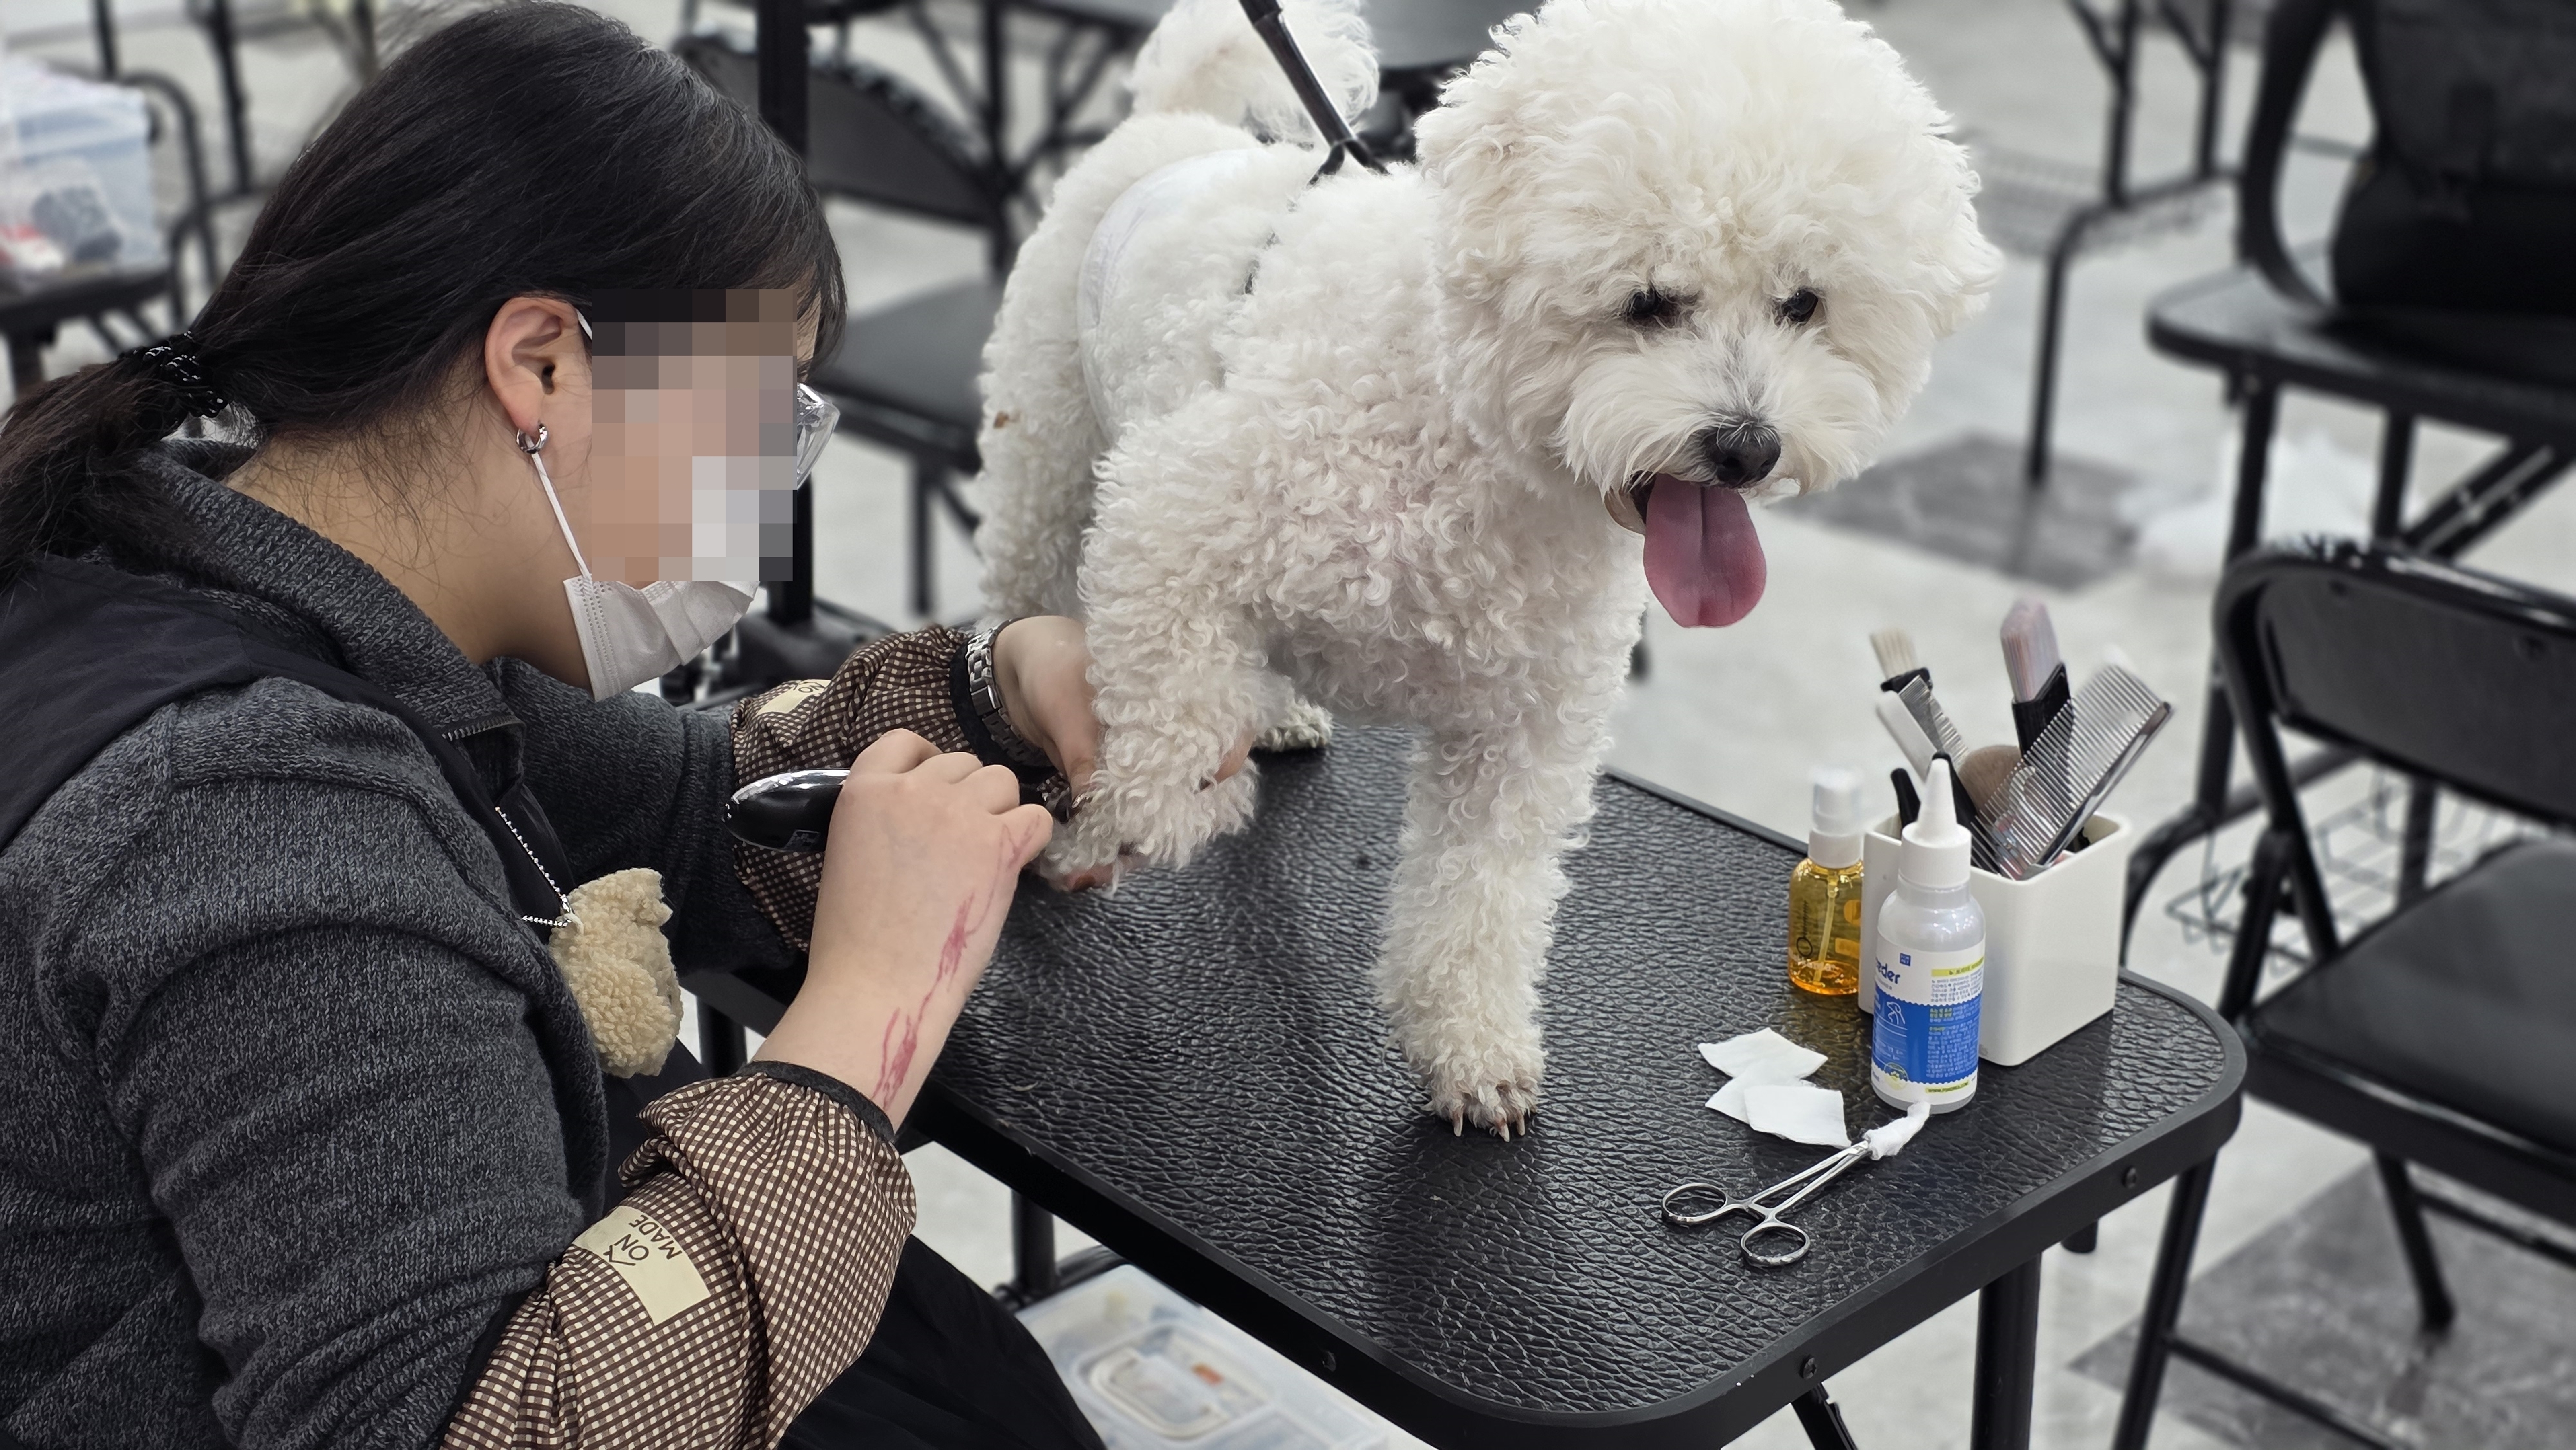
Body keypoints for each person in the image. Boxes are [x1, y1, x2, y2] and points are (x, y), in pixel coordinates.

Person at [0, 7, 1120, 1447]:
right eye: (758, 419)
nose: (766, 493)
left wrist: (993, 683)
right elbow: (488, 1423)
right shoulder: (243, 816)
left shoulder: (251, 572)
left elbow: (686, 805)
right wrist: (864, 1024)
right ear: (542, 366)